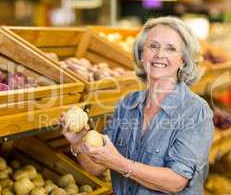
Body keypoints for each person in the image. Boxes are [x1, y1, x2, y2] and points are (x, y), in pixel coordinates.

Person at [60, 16, 214, 194]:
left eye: (171, 49)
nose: (159, 54)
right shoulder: (127, 104)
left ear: (183, 60)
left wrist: (119, 163)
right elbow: (97, 168)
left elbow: (176, 182)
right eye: (153, 46)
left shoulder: (196, 112)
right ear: (141, 54)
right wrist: (79, 141)